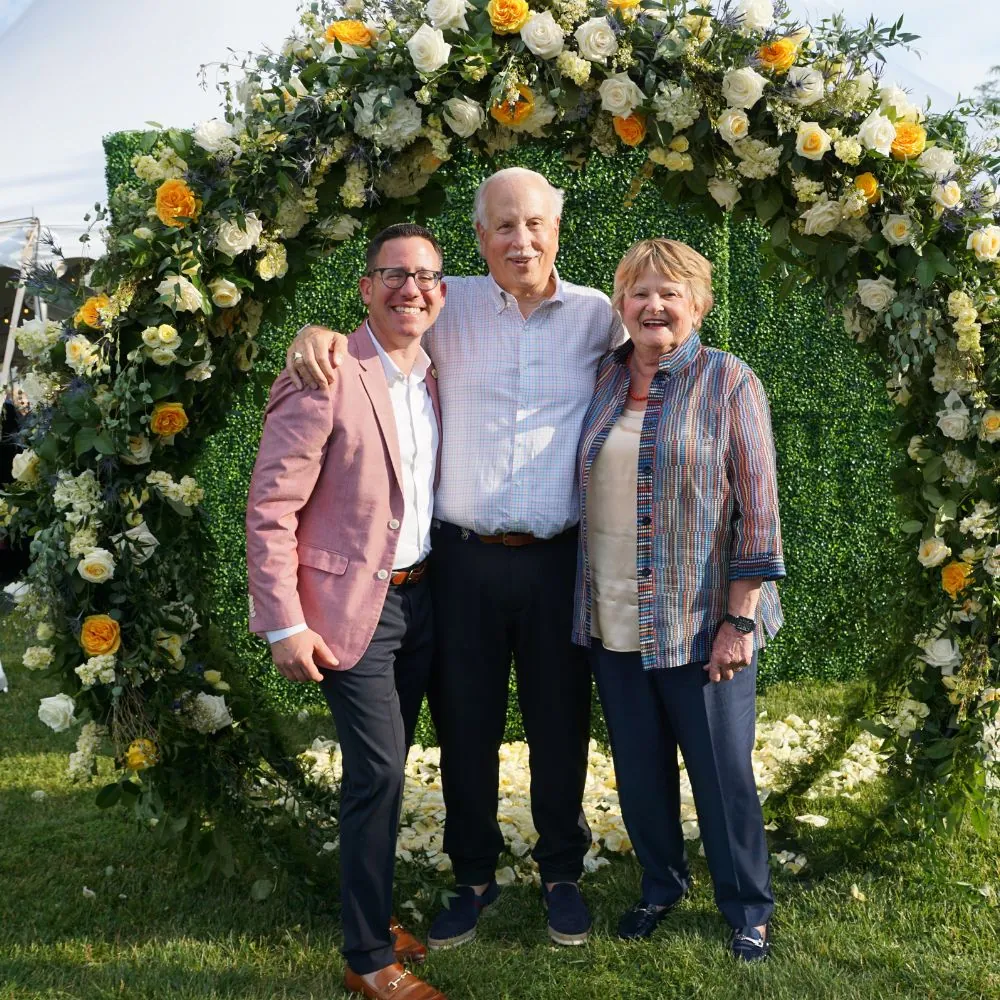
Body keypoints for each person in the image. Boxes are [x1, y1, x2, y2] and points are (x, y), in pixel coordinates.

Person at [285, 167, 626, 948]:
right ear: (480, 238)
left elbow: (651, 353)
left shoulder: (596, 317)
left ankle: (561, 870)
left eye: (535, 223)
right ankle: (471, 874)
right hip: (460, 562)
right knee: (465, 722)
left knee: (559, 720)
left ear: (557, 230)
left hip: (555, 559)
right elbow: (378, 338)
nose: (521, 239)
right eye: (503, 225)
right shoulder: (447, 301)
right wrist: (321, 336)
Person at [246, 223, 449, 1000]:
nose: (411, 288)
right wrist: (285, 622)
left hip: (425, 597)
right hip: (349, 610)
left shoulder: (434, 372)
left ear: (441, 291)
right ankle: (367, 957)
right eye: (393, 274)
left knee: (385, 772)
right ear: (365, 288)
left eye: (426, 276)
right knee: (376, 773)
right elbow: (270, 508)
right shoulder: (324, 373)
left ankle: (376, 915)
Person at [573, 238, 785, 962]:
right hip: (613, 617)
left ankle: (747, 907)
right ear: (620, 305)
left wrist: (739, 620)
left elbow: (758, 513)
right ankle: (660, 886)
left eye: (671, 293)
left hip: (700, 626)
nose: (654, 306)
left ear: (698, 304)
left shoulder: (729, 381)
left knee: (723, 775)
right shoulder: (601, 379)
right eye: (638, 293)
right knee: (639, 768)